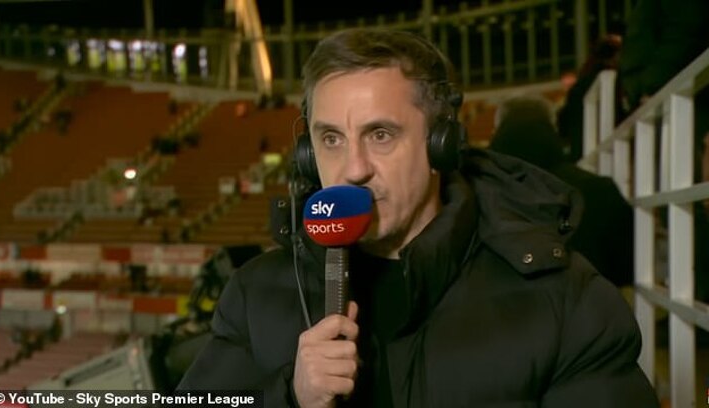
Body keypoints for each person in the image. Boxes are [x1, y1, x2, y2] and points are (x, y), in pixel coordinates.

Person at [178, 28, 659, 407]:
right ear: (307, 156)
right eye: (331, 139)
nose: (353, 169)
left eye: (380, 135)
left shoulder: (563, 298)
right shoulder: (255, 293)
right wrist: (289, 396)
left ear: (440, 145)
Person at [490, 95, 634, 288]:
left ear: (497, 131)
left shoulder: (470, 193)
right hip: (586, 304)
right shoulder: (599, 190)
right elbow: (626, 268)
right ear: (553, 128)